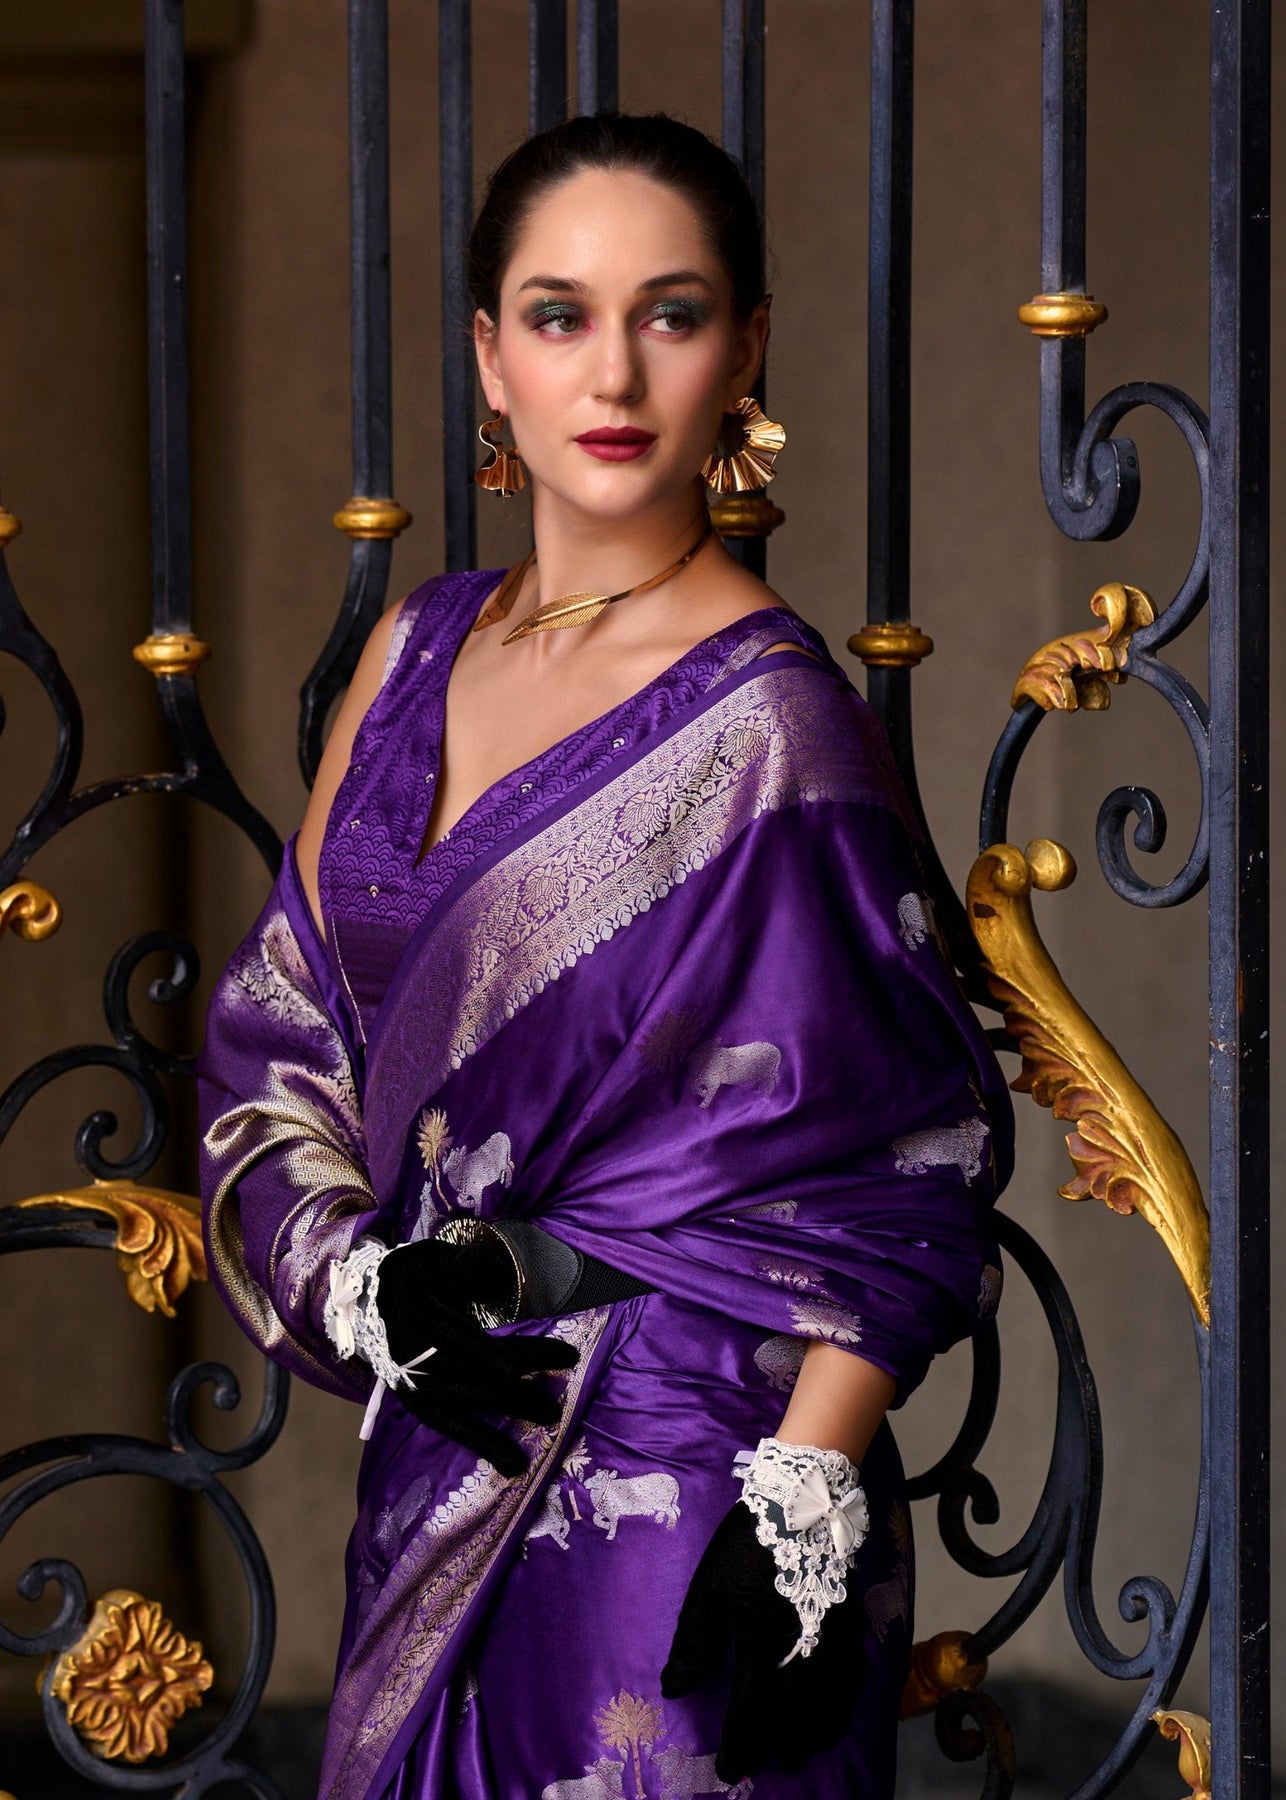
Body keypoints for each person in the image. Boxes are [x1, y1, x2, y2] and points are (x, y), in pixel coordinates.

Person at [197, 112, 1012, 1800]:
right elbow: (282, 1030)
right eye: (560, 316)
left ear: (746, 352)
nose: (615, 372)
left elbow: (906, 1160)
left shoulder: (775, 721)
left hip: (691, 1474)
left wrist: (804, 1499)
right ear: (489, 359)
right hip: (447, 1427)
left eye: (672, 313)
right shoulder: (412, 654)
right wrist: (370, 1285)